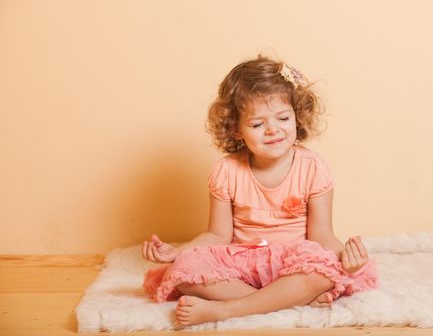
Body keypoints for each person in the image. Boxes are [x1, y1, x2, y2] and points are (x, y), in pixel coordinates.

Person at [142, 55, 378, 326]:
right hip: (241, 264)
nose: (273, 130)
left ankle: (228, 309)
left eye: (283, 118)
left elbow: (322, 236)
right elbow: (218, 234)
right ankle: (286, 300)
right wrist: (177, 252)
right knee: (183, 272)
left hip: (294, 263)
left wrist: (347, 259)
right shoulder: (227, 170)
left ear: (297, 116)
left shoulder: (314, 167)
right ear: (236, 129)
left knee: (324, 270)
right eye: (257, 124)